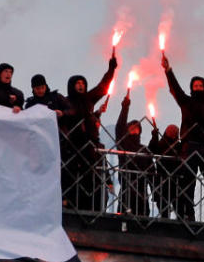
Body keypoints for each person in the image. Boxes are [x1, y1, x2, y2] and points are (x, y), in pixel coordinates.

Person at [161, 53, 204, 224]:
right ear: (192, 88)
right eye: (195, 85)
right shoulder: (186, 102)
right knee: (188, 183)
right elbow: (175, 88)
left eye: (200, 85)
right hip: (189, 146)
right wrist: (168, 70)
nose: (198, 87)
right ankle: (188, 215)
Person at [59, 55, 117, 211]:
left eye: (83, 83)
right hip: (73, 146)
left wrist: (112, 68)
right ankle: (69, 202)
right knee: (72, 179)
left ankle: (95, 205)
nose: (80, 85)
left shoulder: (89, 99)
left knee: (93, 179)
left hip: (91, 146)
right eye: (77, 83)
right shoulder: (65, 101)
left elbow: (103, 86)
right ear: (72, 86)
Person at [114, 93, 154, 216]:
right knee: (123, 220)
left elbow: (152, 170)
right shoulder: (123, 144)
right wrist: (125, 107)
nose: (133, 129)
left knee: (143, 220)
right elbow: (120, 127)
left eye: (136, 127)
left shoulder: (144, 149)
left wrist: (156, 192)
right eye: (131, 127)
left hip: (142, 192)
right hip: (127, 189)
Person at [148, 123, 183, 219]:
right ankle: (166, 220)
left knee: (178, 206)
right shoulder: (161, 144)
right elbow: (151, 150)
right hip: (163, 178)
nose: (173, 132)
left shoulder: (178, 146)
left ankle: (179, 220)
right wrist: (154, 136)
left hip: (175, 180)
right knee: (164, 205)